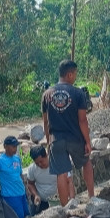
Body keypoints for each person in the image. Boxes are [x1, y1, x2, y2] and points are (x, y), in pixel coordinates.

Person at [42, 59, 95, 205]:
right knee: (86, 163)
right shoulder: (77, 93)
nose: (76, 76)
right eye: (75, 74)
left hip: (56, 140)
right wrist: (88, 141)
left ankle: (64, 208)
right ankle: (92, 197)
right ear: (70, 74)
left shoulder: (47, 94)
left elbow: (46, 122)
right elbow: (82, 120)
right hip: (75, 138)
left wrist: (48, 141)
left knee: (61, 172)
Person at [0, 136, 30, 218]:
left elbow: (20, 174)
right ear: (6, 146)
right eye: (13, 147)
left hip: (21, 192)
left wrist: (26, 188)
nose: (15, 149)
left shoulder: (17, 158)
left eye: (16, 146)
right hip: (11, 196)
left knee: (27, 217)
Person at [24, 145, 59, 215]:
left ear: (46, 155)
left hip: (57, 200)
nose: (40, 164)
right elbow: (30, 184)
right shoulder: (32, 169)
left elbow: (66, 181)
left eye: (41, 161)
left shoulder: (57, 163)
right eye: (37, 163)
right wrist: (35, 195)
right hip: (42, 202)